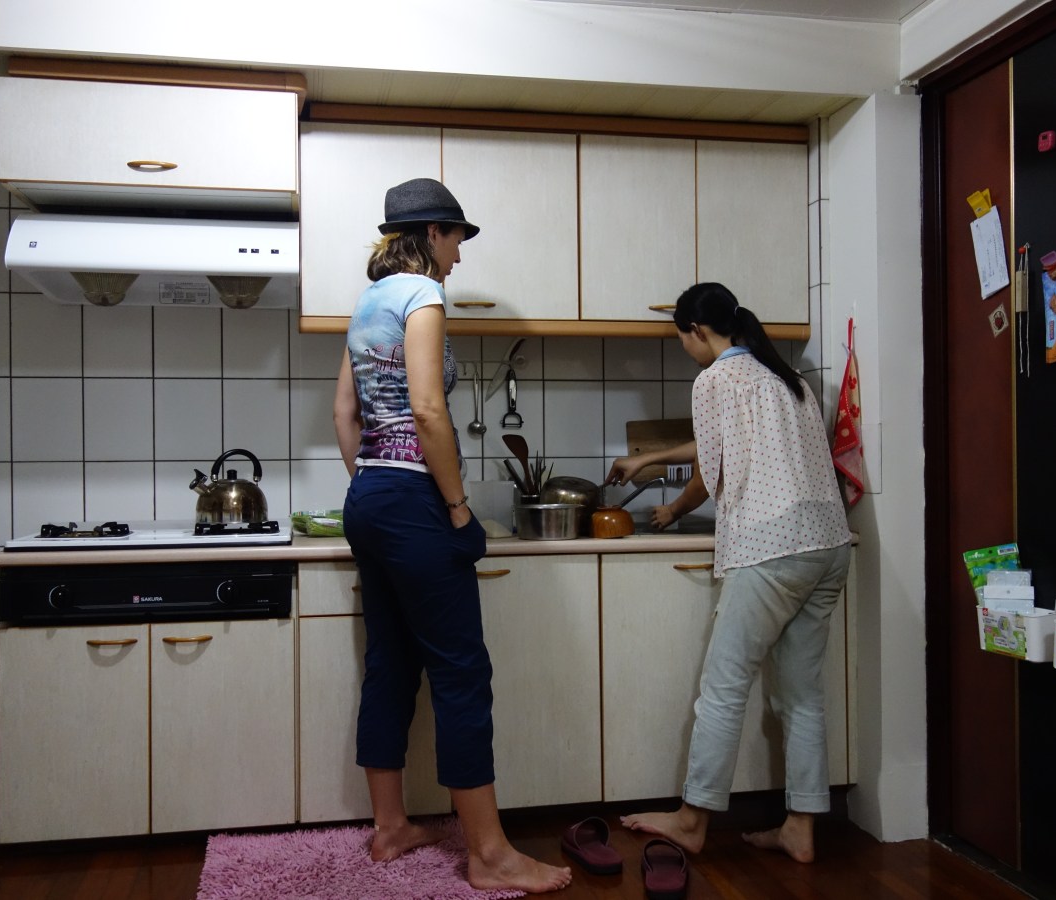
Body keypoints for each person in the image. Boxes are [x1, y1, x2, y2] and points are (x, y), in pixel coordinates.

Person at [332, 177, 571, 894]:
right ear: (433, 234)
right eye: (458, 240)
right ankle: (490, 855)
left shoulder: (366, 303)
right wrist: (457, 507)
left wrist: (372, 479)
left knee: (391, 664)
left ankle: (389, 827)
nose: (460, 257)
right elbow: (431, 411)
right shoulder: (422, 296)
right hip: (413, 502)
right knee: (463, 675)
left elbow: (345, 412)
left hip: (370, 496)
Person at [613, 281, 852, 865]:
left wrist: (671, 504)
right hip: (828, 543)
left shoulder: (715, 379)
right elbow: (715, 452)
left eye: (682, 340)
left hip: (772, 548)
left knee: (722, 690)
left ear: (697, 332)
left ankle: (693, 820)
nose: (686, 351)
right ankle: (800, 826)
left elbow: (710, 470)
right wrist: (651, 465)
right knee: (801, 695)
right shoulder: (784, 378)